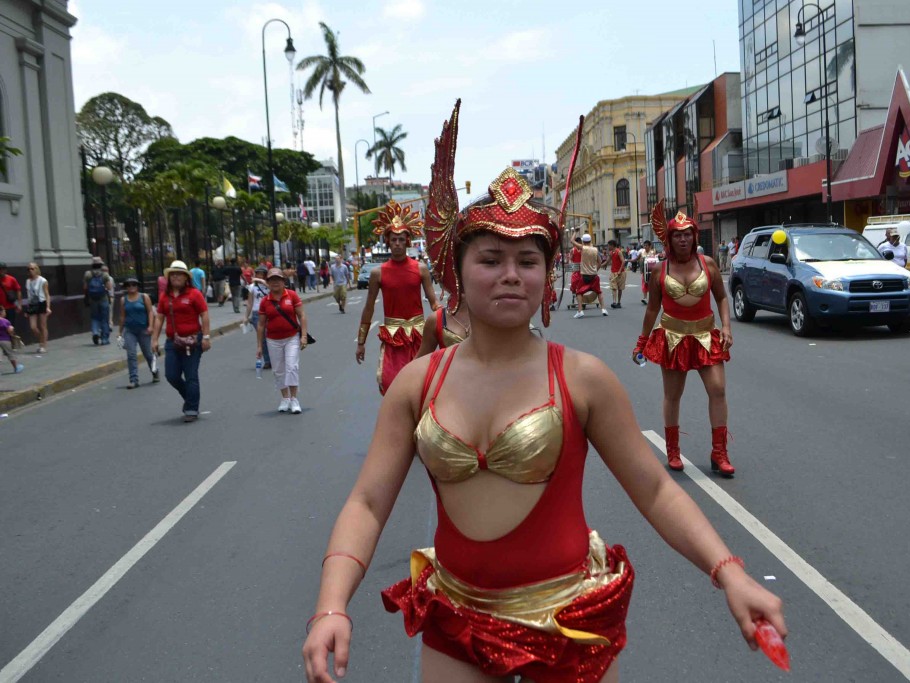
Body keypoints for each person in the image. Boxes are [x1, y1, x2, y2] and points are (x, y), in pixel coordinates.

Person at [301, 102, 784, 683]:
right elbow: (368, 503)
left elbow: (655, 488)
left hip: (566, 622)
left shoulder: (582, 379)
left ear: (547, 276)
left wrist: (729, 572)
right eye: (491, 259)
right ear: (457, 272)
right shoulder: (416, 382)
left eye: (528, 260)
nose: (511, 274)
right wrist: (331, 605)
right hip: (458, 618)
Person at [633, 202, 735, 474]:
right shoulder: (660, 271)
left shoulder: (709, 264)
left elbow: (722, 298)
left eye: (687, 233)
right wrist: (642, 342)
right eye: (677, 234)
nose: (683, 239)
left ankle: (719, 453)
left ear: (694, 236)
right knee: (673, 395)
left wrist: (726, 327)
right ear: (669, 238)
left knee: (718, 390)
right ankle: (673, 451)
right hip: (673, 338)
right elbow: (652, 309)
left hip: (705, 335)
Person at [356, 200, 439, 395]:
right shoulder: (378, 273)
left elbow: (433, 302)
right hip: (393, 337)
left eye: (402, 239)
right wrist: (361, 342)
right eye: (394, 240)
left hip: (419, 336)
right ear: (388, 242)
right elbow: (369, 308)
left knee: (422, 386)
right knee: (390, 383)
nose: (398, 244)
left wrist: (449, 316)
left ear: (408, 242)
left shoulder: (420, 269)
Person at [152, 260, 211, 423]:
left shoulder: (194, 294)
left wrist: (206, 337)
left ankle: (192, 408)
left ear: (186, 278)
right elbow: (159, 318)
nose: (176, 277)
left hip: (193, 341)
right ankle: (190, 397)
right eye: (173, 274)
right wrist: (154, 339)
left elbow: (204, 314)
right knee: (171, 375)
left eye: (179, 274)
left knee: (191, 375)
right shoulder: (165, 296)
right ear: (169, 278)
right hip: (173, 342)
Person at [257, 268, 307, 414]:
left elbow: (302, 315)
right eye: (272, 280)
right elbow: (261, 325)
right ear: (268, 283)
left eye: (278, 279)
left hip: (291, 337)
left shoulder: (291, 296)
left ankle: (294, 399)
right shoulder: (265, 301)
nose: (275, 283)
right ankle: (285, 398)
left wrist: (303, 336)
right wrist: (259, 346)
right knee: (278, 370)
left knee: (291, 367)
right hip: (273, 340)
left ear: (283, 282)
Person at [117, 276, 158, 389]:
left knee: (148, 354)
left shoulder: (144, 297)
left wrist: (150, 326)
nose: (131, 287)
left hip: (143, 330)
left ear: (137, 286)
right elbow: (122, 316)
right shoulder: (123, 300)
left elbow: (150, 312)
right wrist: (120, 332)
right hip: (130, 330)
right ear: (126, 287)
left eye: (134, 284)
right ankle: (133, 379)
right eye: (129, 285)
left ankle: (155, 371)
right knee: (131, 354)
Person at [571, 232, 609, 318]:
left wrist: (575, 231)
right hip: (594, 276)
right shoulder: (595, 250)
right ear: (591, 241)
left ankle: (580, 311)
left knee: (578, 292)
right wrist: (596, 270)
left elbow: (572, 240)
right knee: (599, 292)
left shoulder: (583, 248)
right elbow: (599, 262)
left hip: (584, 276)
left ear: (583, 241)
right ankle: (603, 309)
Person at [244, 265, 272, 368]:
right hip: (257, 313)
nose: (259, 275)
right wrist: (246, 316)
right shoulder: (252, 287)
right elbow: (250, 302)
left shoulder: (270, 285)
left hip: (269, 312)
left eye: (262, 274)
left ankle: (275, 358)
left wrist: (264, 282)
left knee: (271, 335)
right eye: (258, 274)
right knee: (262, 337)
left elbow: (273, 292)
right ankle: (268, 360)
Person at [83, 258, 113, 345]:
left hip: (92, 299)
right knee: (104, 319)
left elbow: (85, 287)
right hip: (103, 298)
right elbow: (109, 287)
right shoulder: (104, 274)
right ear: (101, 265)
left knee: (95, 317)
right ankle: (104, 339)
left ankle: (95, 332)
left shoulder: (88, 274)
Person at [24, 262, 50, 353]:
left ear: (37, 269)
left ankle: (43, 345)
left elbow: (47, 295)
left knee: (42, 326)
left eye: (32, 268)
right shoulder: (28, 281)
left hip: (41, 303)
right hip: (32, 305)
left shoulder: (42, 280)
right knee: (33, 327)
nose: (30, 271)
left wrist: (48, 307)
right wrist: (27, 309)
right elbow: (29, 295)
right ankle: (41, 340)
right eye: (29, 269)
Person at [0, 307, 24, 374]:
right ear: (1, 312)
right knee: (10, 354)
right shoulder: (5, 321)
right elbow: (10, 330)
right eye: (4, 311)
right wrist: (12, 333)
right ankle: (16, 368)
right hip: (5, 340)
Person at [607, 239, 627, 308]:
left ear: (612, 245)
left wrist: (619, 271)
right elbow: (608, 261)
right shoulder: (611, 252)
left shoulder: (619, 252)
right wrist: (601, 265)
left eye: (609, 245)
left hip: (620, 272)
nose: (608, 247)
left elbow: (623, 261)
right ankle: (614, 302)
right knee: (614, 287)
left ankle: (619, 302)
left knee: (620, 288)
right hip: (613, 272)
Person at [640, 240, 658, 305]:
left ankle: (652, 299)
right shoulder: (642, 252)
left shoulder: (653, 252)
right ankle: (645, 298)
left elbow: (656, 261)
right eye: (644, 245)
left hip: (652, 272)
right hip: (644, 271)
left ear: (650, 246)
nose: (645, 247)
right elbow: (640, 260)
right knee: (644, 284)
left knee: (652, 285)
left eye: (646, 245)